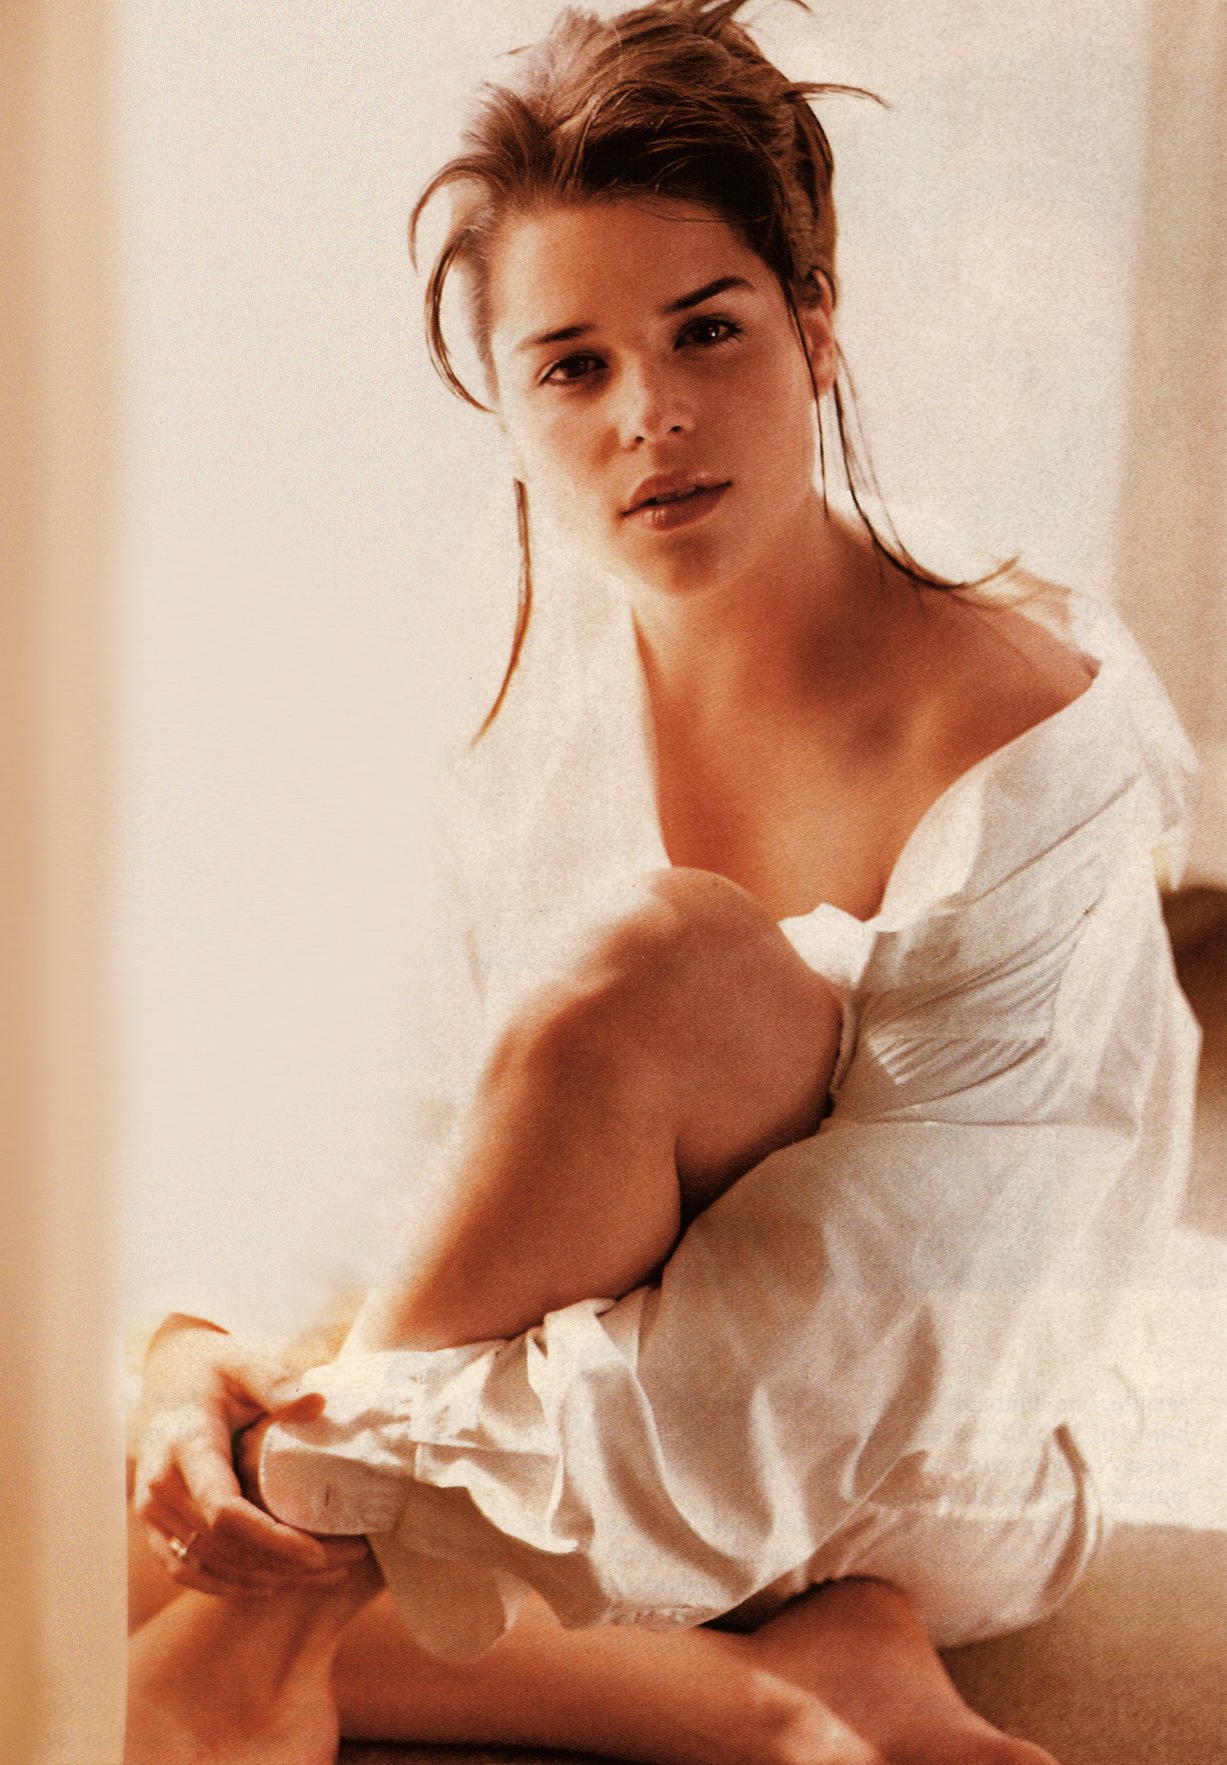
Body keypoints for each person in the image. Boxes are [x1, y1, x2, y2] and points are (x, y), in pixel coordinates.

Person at [124, 4, 1200, 1762]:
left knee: (659, 961)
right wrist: (198, 1353)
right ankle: (770, 1697)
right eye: (571, 367)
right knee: (6, 1479)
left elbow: (867, 1322)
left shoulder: (1025, 740)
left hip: (916, 1431)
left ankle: (290, 1636)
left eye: (707, 330)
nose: (652, 416)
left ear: (816, 331)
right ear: (504, 405)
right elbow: (370, 1089)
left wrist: (312, 1488)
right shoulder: (497, 652)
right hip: (535, 1359)